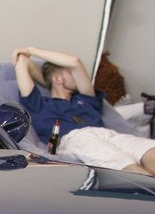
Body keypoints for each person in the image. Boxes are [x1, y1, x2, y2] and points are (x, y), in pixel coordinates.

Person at [13, 46, 155, 175]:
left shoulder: (86, 99)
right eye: (70, 72)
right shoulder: (38, 105)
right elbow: (22, 61)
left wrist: (32, 51)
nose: (76, 75)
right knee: (122, 163)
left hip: (108, 135)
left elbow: (76, 63)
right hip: (74, 139)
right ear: (57, 79)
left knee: (151, 150)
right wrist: (31, 55)